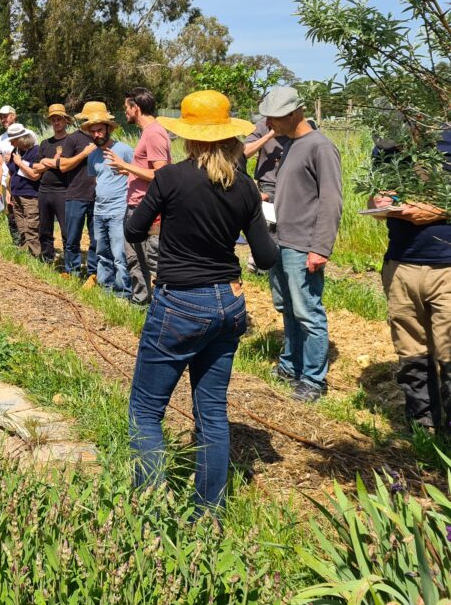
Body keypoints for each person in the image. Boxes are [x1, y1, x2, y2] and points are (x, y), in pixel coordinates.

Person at [126, 90, 278, 512]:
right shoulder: (246, 186)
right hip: (228, 303)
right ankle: (208, 515)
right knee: (211, 414)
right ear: (229, 136)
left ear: (189, 136)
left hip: (181, 301)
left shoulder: (172, 178)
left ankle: (150, 510)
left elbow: (136, 230)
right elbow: (265, 257)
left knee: (145, 411)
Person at [259, 86, 343, 403]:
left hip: (302, 244)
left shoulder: (320, 147)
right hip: (281, 240)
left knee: (308, 312)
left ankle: (312, 380)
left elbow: (331, 200)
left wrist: (320, 247)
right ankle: (290, 365)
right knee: (288, 309)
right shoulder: (291, 145)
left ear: (295, 113)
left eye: (274, 118)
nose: (268, 124)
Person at [370, 124, 451, 432]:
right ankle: (423, 428)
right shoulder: (385, 147)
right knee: (411, 351)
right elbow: (372, 200)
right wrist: (378, 206)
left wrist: (438, 210)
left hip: (446, 266)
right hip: (400, 265)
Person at [107, 87, 172, 305]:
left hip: (148, 208)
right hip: (136, 206)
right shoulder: (148, 132)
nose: (124, 111)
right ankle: (141, 300)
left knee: (153, 258)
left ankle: (167, 305)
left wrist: (126, 165)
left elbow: (161, 174)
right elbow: (148, 168)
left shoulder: (154, 133)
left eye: (126, 107)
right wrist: (128, 170)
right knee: (135, 257)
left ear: (136, 108)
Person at [81, 107, 134, 298]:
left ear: (108, 129)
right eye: (93, 131)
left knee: (120, 254)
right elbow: (97, 179)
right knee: (102, 253)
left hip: (119, 209)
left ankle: (123, 293)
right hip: (99, 210)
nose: (97, 134)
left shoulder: (124, 150)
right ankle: (105, 289)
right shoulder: (93, 156)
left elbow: (136, 174)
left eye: (100, 130)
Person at [58, 101, 106, 281]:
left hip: (99, 196)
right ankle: (72, 271)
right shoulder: (73, 139)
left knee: (96, 239)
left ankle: (93, 274)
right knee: (72, 238)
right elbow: (63, 166)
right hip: (76, 194)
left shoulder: (102, 138)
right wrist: (84, 154)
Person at [32, 104, 71, 266]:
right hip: (44, 190)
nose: (56, 122)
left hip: (63, 190)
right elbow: (35, 167)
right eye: (53, 120)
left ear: (65, 121)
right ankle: (47, 258)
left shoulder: (71, 141)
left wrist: (46, 162)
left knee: (66, 229)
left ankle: (69, 261)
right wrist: (52, 162)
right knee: (45, 228)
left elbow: (66, 165)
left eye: (59, 119)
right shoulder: (45, 143)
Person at [6, 123, 42, 257]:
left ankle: (37, 256)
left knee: (32, 226)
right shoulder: (16, 151)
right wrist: (9, 192)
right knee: (21, 226)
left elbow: (34, 175)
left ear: (22, 139)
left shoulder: (36, 151)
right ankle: (26, 254)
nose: (11, 142)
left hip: (30, 195)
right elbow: (11, 173)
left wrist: (20, 162)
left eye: (13, 140)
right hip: (16, 194)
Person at [0, 105, 23, 245]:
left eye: (5, 116)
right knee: (11, 215)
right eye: (1, 117)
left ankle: (29, 246)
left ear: (13, 115)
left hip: (23, 181)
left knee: (25, 214)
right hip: (8, 184)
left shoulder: (25, 133)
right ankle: (17, 245)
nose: (3, 119)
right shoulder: (1, 138)